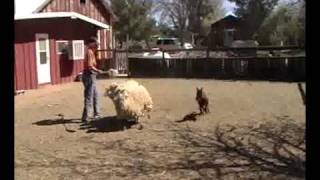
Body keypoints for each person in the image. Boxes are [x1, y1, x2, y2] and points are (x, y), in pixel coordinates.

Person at [81, 36, 104, 122]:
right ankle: (86, 116)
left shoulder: (91, 52)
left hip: (91, 75)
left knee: (95, 95)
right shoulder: (90, 52)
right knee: (89, 96)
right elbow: (90, 66)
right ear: (91, 43)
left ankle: (97, 114)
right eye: (96, 43)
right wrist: (98, 70)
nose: (97, 45)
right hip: (89, 75)